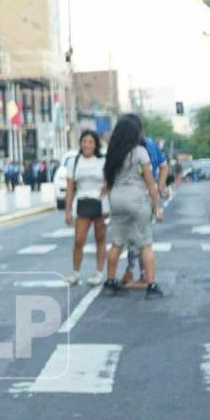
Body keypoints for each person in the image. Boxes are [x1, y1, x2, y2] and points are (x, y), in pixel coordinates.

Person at [103, 114, 164, 297]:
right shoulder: (140, 152)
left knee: (117, 243)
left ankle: (111, 281)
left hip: (116, 199)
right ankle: (151, 286)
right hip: (136, 198)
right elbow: (149, 181)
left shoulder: (113, 153)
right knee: (145, 244)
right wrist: (157, 205)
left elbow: (108, 181)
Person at [63, 129, 107, 286]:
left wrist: (106, 190)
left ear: (96, 145)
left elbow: (110, 180)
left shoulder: (103, 161)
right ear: (80, 144)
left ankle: (99, 273)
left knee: (100, 239)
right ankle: (75, 273)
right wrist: (67, 211)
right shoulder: (74, 162)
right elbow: (70, 188)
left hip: (100, 203)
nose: (87, 145)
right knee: (79, 240)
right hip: (82, 202)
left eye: (90, 142)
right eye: (84, 142)